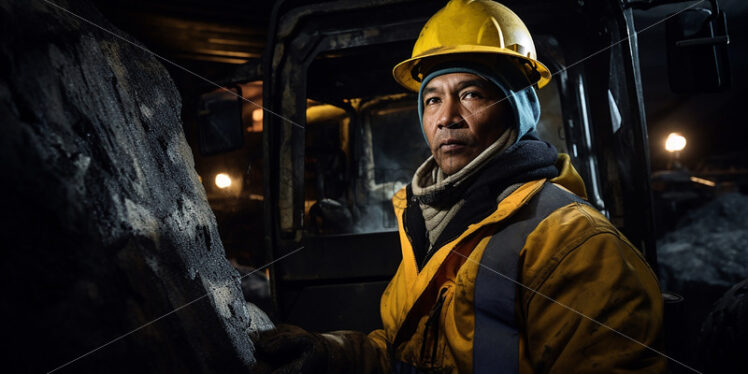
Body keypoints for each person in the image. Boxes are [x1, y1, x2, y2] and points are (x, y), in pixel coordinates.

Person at [254, 0, 666, 372]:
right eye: (432, 99)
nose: (446, 116)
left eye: (471, 93)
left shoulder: (577, 244)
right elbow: (410, 354)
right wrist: (335, 355)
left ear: (515, 110)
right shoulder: (425, 221)